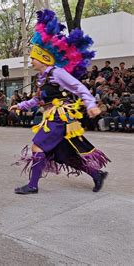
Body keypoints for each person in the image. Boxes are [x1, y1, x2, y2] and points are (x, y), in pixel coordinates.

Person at [10, 10, 110, 194]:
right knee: (64, 155)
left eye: (33, 57)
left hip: (58, 118)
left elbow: (79, 87)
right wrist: (20, 105)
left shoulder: (57, 72)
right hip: (51, 117)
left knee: (37, 146)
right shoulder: (43, 78)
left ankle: (32, 185)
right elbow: (39, 99)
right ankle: (97, 175)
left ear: (42, 58)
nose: (31, 60)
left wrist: (91, 104)